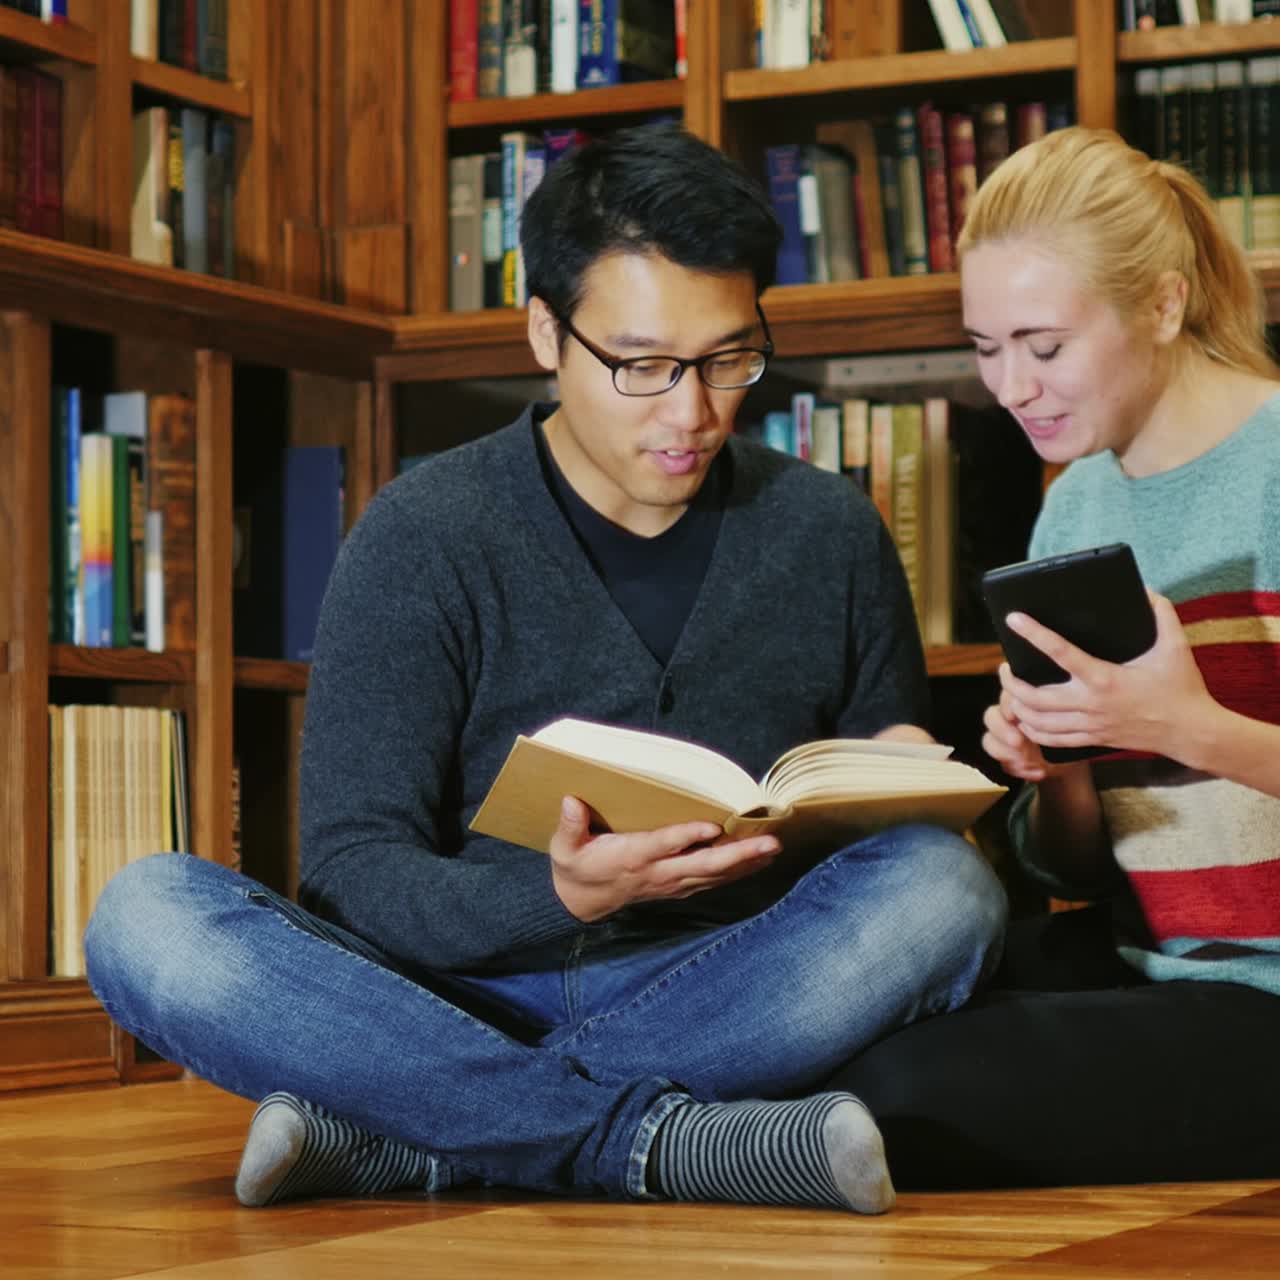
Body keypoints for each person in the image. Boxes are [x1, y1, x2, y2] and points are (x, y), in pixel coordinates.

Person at [83, 124, 1005, 1214]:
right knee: (145, 914)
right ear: (543, 333)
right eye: (642, 365)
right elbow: (351, 871)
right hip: (438, 996)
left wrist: (898, 784)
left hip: (723, 987)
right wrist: (557, 892)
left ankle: (425, 1140)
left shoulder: (829, 533)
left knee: (942, 888)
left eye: (727, 358)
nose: (691, 410)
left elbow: (863, 856)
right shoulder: (421, 533)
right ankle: (657, 1143)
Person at [829, 125, 1280, 1188]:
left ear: (1162, 305)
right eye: (985, 348)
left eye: (1041, 345)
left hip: (1260, 996)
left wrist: (1180, 723)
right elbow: (1076, 867)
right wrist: (1059, 756)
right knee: (854, 1013)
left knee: (904, 1089)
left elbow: (1179, 736)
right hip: (1152, 961)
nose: (1010, 386)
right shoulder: (1074, 499)